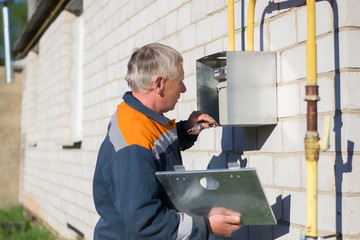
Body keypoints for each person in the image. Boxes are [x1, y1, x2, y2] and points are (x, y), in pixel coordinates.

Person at [93, 43, 241, 240]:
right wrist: (207, 225)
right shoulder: (133, 145)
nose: (183, 88)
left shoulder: (136, 115)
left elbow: (154, 150)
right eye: (179, 81)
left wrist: (185, 131)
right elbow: (147, 223)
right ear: (159, 83)